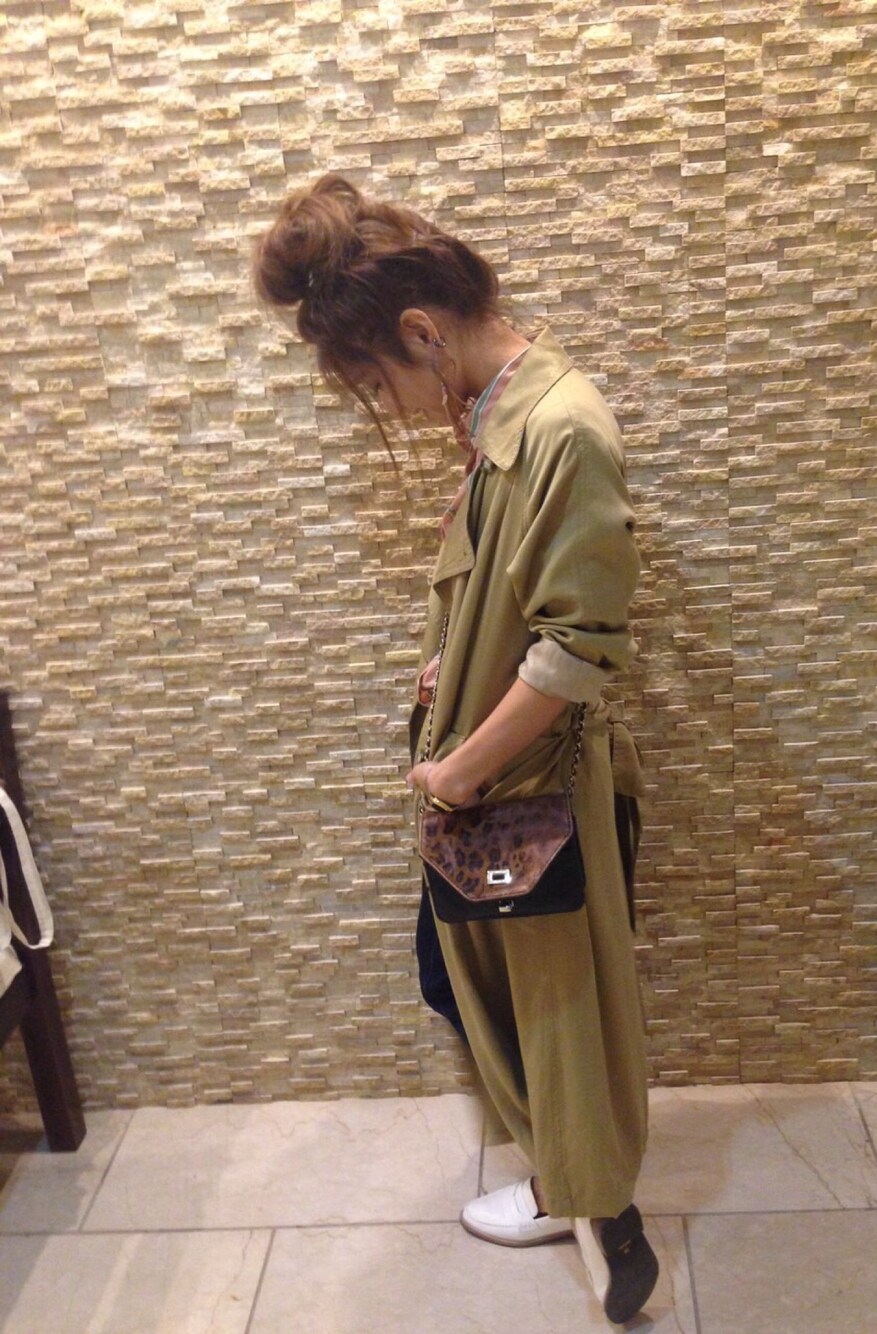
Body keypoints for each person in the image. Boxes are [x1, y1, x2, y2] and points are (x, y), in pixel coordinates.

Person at [252, 173, 658, 1325]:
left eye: (381, 380)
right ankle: (570, 1181)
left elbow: (579, 645)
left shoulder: (558, 428)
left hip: (527, 788)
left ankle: (598, 1210)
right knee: (481, 987)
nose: (391, 406)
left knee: (558, 1011)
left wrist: (463, 767)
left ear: (423, 332)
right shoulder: (505, 416)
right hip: (494, 785)